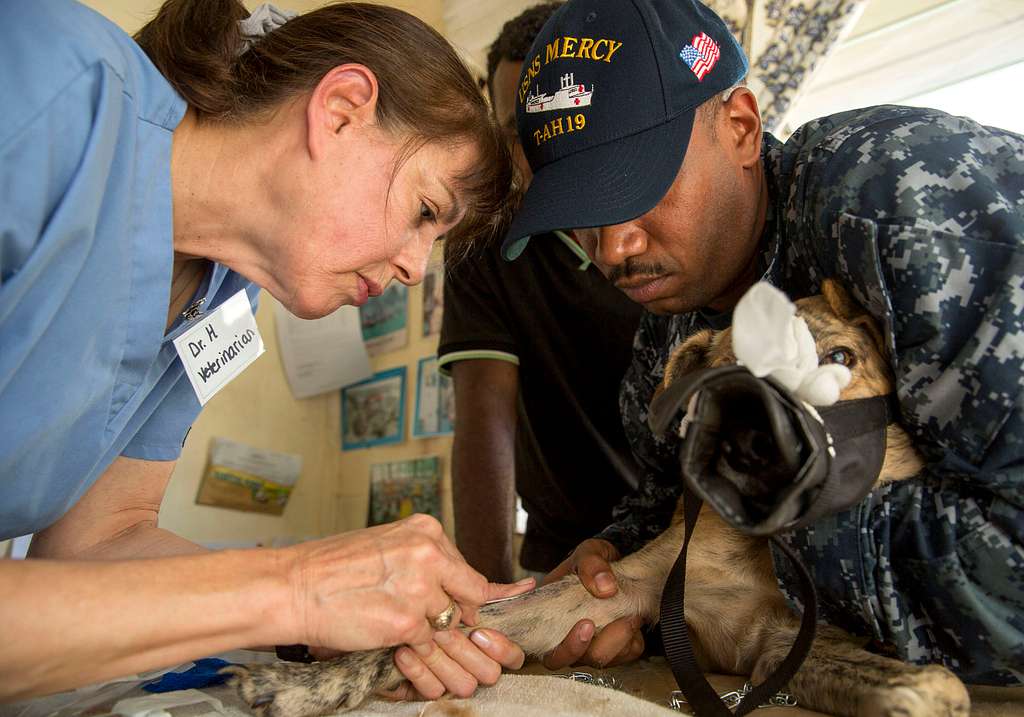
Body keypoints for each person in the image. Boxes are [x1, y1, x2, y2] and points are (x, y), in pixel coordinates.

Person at [0, 0, 533, 703]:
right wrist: (296, 589)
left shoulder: (224, 295)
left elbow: (97, 544)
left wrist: (332, 610)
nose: (413, 268)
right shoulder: (45, 86)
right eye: (426, 212)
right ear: (340, 110)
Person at [502, 0, 1024, 684]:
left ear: (742, 128)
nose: (613, 248)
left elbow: (1011, 579)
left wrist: (765, 521)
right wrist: (618, 560)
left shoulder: (898, 208)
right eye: (582, 214)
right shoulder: (670, 334)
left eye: (635, 186)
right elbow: (669, 509)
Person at [438, 2, 644, 665]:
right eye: (517, 129)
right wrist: (489, 602)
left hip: (681, 538)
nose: (537, 153)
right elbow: (484, 423)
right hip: (560, 556)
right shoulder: (487, 243)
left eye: (557, 123)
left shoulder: (667, 216)